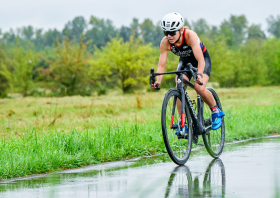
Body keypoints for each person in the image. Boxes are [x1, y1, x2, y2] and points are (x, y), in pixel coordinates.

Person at [151, 12, 225, 130]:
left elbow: (200, 60)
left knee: (199, 88)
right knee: (179, 85)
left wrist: (199, 74)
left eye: (172, 32)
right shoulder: (165, 43)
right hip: (185, 61)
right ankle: (183, 122)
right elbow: (161, 65)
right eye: (166, 32)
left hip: (201, 59)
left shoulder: (189, 35)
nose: (169, 36)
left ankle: (216, 111)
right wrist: (158, 80)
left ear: (180, 30)